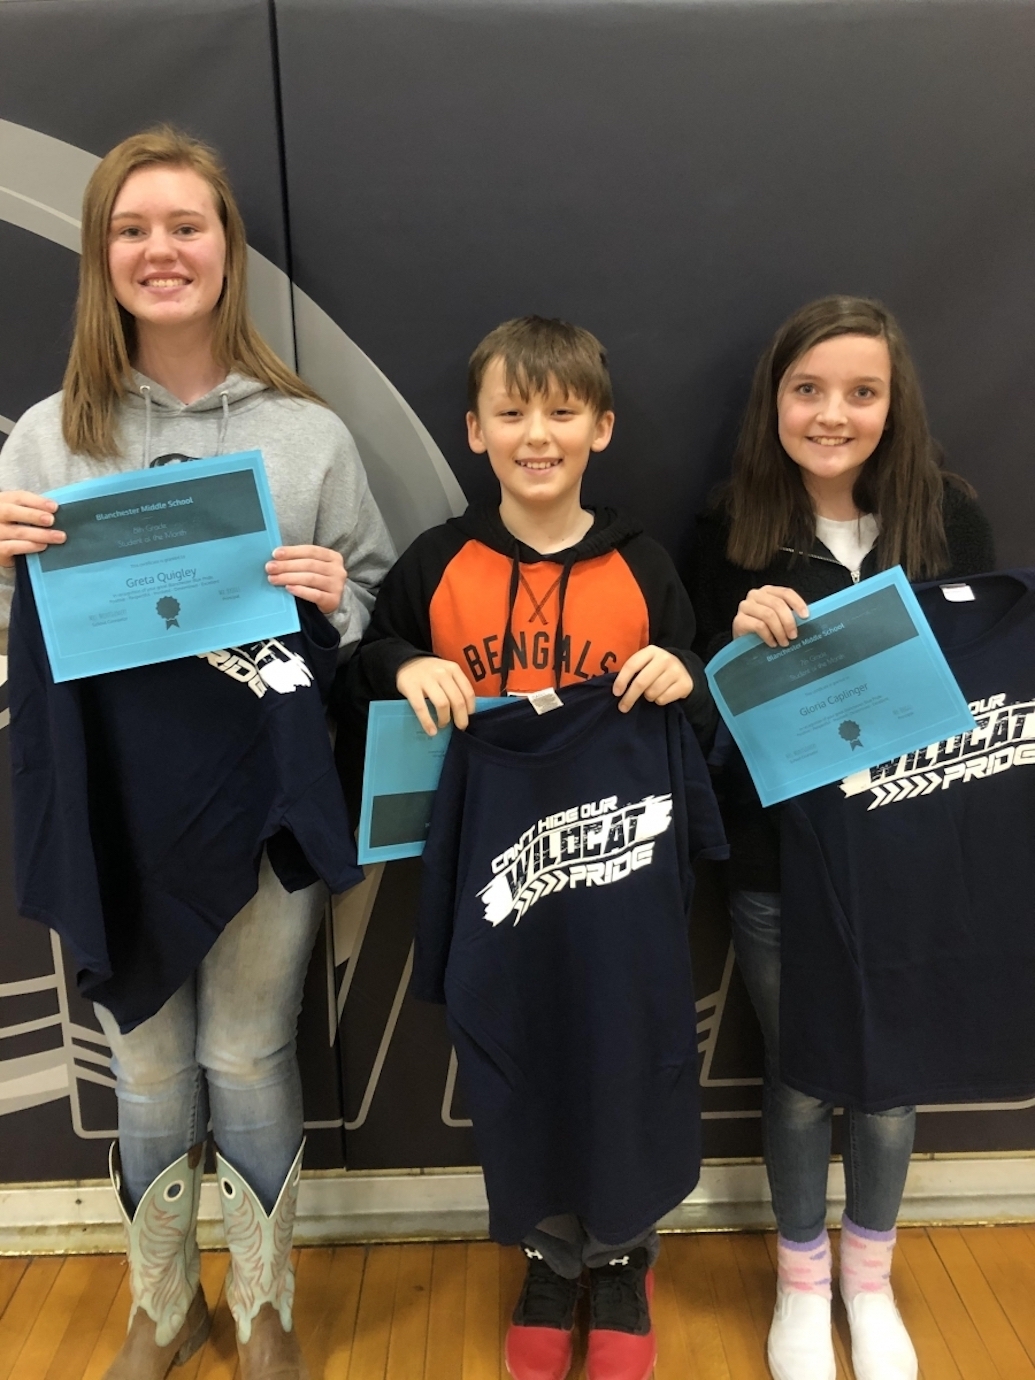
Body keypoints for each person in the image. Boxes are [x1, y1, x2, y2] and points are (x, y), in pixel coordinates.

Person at [0, 127, 394, 1380]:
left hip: (265, 802)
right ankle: (163, 1308)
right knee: (149, 1054)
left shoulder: (307, 435)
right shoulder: (45, 442)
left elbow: (374, 607)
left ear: (227, 250)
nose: (160, 250)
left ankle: (263, 1301)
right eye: (132, 228)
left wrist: (337, 591)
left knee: (246, 1052)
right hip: (112, 804)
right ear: (100, 257)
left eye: (185, 226)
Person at [347, 315, 717, 1380]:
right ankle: (553, 1257)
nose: (537, 434)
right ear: (475, 430)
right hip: (495, 883)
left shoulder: (644, 563)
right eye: (513, 412)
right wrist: (401, 664)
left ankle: (624, 1259)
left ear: (601, 427)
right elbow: (368, 656)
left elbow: (698, 703)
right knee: (520, 1058)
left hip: (623, 881)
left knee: (624, 1055)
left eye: (562, 411)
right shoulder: (439, 560)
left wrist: (683, 677)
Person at [689, 295, 995, 1380]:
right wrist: (734, 642)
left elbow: (977, 688)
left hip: (910, 851)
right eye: (809, 390)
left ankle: (870, 1278)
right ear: (775, 399)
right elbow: (694, 710)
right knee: (804, 1071)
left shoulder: (949, 518)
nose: (833, 414)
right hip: (781, 859)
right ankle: (801, 1278)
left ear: (893, 405)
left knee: (888, 1073)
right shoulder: (727, 529)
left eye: (861, 392)